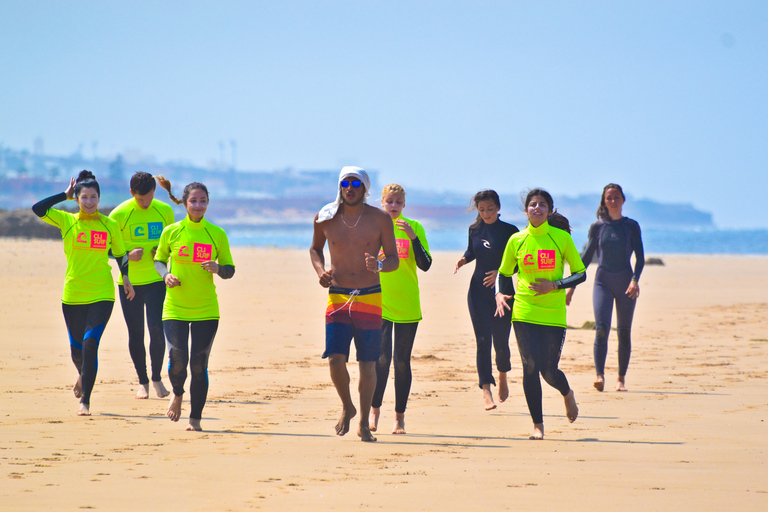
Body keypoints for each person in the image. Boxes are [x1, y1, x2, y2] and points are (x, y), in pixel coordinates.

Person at [32, 170, 134, 416]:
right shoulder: (67, 221)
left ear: (99, 198)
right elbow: (38, 208)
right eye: (84, 197)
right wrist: (63, 195)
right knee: (76, 350)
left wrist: (127, 279)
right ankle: (82, 374)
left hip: (102, 293)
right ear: (77, 199)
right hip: (73, 294)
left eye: (94, 197)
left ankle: (85, 401)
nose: (89, 202)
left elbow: (120, 254)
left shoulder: (109, 224)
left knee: (90, 344)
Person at [310, 166, 399, 443]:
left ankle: (362, 422)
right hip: (337, 296)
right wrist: (320, 271)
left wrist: (380, 264)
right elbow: (314, 249)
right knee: (335, 358)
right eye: (345, 183)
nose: (350, 188)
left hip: (370, 295)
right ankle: (347, 405)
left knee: (367, 362)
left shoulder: (380, 218)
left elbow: (394, 259)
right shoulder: (325, 217)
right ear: (340, 186)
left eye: (355, 183)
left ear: (364, 188)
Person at [495, 188, 586, 440]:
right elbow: (504, 272)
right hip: (524, 311)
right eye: (532, 204)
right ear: (526, 211)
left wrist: (554, 285)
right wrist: (503, 294)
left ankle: (567, 394)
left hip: (553, 314)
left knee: (549, 371)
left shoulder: (561, 239)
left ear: (549, 209)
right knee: (530, 367)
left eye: (542, 204)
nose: (537, 208)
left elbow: (580, 273)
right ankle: (538, 425)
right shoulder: (517, 240)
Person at [153, 178, 235, 431]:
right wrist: (165, 275)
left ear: (208, 203)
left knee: (199, 365)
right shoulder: (172, 231)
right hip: (175, 307)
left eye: (202, 201)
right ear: (185, 203)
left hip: (206, 308)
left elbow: (230, 270)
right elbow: (159, 260)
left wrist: (218, 268)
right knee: (177, 360)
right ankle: (178, 393)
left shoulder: (216, 233)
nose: (198, 205)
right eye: (193, 201)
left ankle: (195, 419)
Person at [565, 183, 644, 392]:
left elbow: (641, 257)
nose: (613, 201)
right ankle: (599, 376)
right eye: (609, 198)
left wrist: (635, 280)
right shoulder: (598, 227)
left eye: (616, 197)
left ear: (623, 200)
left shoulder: (631, 226)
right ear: (604, 201)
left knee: (624, 331)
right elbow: (586, 257)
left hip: (626, 283)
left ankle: (621, 379)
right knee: (601, 328)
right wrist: (571, 285)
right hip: (603, 282)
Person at [370, 184, 432, 435]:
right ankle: (374, 412)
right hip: (380, 302)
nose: (393, 206)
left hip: (407, 303)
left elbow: (426, 265)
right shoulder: (374, 227)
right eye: (389, 201)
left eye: (398, 202)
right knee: (381, 361)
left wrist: (414, 239)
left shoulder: (414, 228)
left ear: (404, 205)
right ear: (382, 203)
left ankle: (399, 418)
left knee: (402, 362)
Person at [109, 172, 175, 399]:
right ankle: (142, 382)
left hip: (157, 281)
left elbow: (174, 243)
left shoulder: (165, 211)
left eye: (149, 198)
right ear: (131, 194)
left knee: (157, 332)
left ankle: (156, 379)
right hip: (130, 284)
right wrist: (127, 254)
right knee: (136, 333)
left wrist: (163, 252)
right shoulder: (119, 214)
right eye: (140, 200)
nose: (146, 203)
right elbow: (107, 249)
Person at [454, 190, 518, 410]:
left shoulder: (511, 232)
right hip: (478, 292)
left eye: (490, 209)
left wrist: (500, 272)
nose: (486, 213)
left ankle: (502, 377)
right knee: (483, 340)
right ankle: (486, 391)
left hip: (504, 293)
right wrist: (464, 259)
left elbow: (519, 262)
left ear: (498, 207)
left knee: (500, 342)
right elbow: (472, 250)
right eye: (482, 210)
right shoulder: (475, 229)